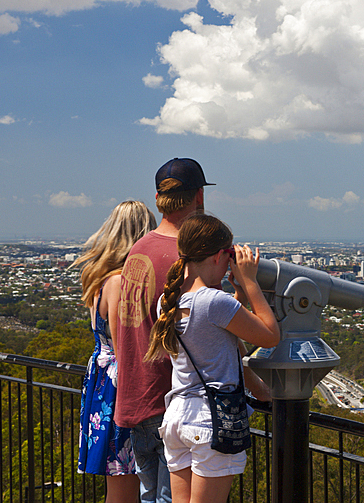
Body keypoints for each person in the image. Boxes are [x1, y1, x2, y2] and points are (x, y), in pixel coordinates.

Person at [145, 214, 280, 503]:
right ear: (220, 255)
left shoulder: (167, 302)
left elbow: (210, 332)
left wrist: (238, 296)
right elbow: (270, 335)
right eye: (229, 255)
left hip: (177, 419)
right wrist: (251, 282)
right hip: (211, 422)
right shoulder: (214, 302)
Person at [112, 158, 213, 503]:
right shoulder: (187, 255)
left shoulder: (139, 249)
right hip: (171, 401)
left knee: (150, 496)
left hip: (135, 395)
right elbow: (203, 331)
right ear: (199, 196)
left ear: (158, 199)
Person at [76, 200, 156, 503]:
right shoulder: (121, 282)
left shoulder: (98, 280)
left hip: (102, 385)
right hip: (124, 391)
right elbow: (129, 350)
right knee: (126, 488)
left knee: (120, 487)